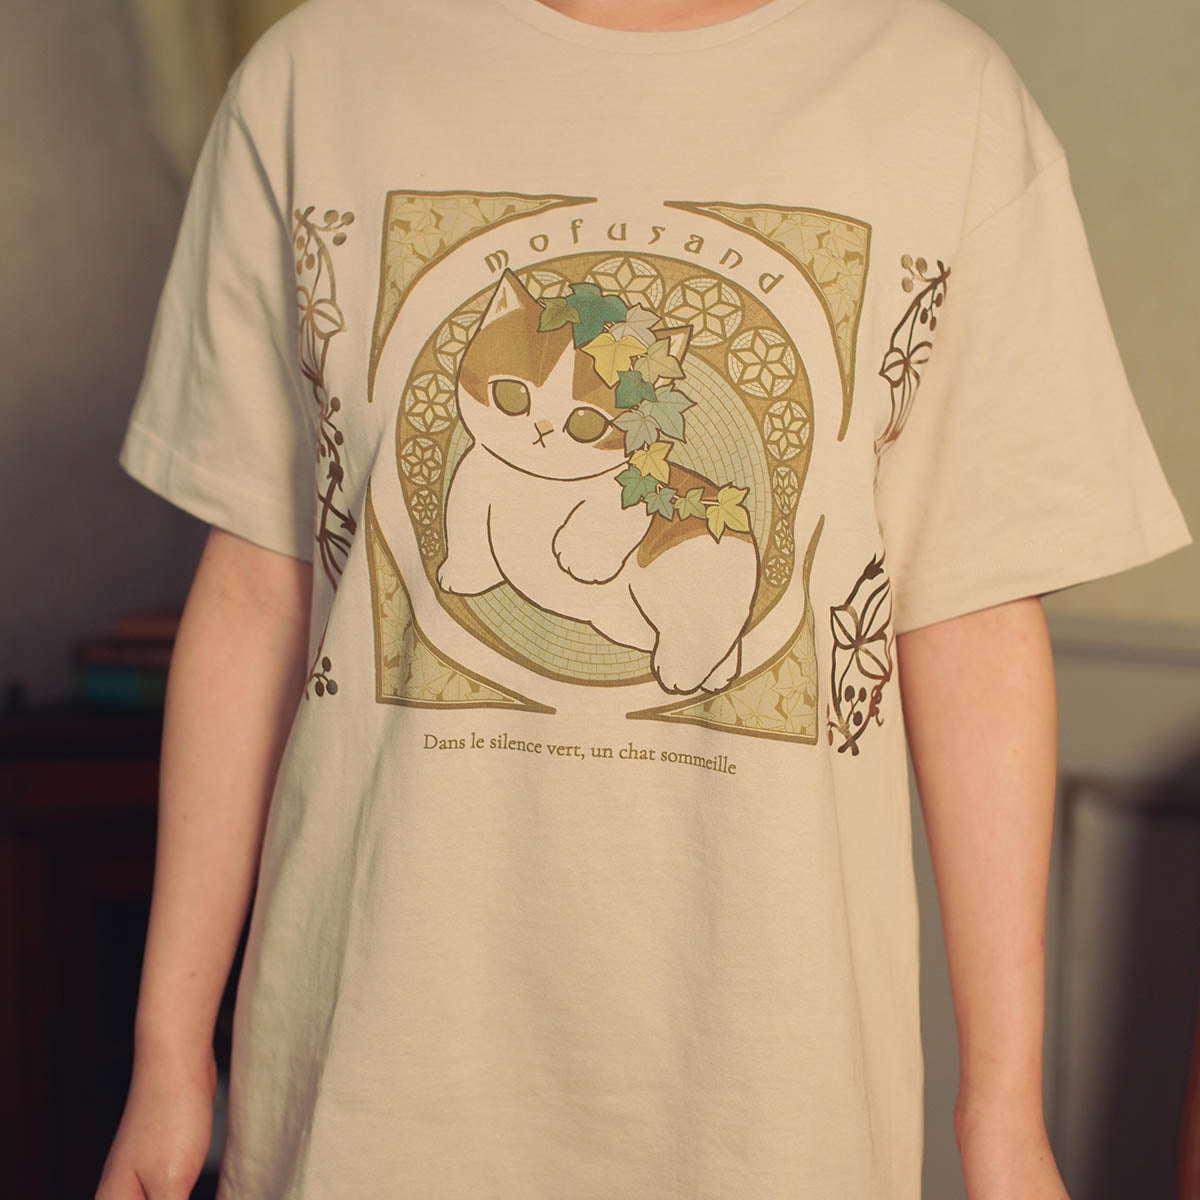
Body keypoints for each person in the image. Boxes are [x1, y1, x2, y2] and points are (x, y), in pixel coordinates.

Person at [97, 0, 1191, 1197]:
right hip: (366, 1078)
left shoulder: (944, 98)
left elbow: (971, 625)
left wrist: (1005, 1116)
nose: (537, 434)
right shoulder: (317, 76)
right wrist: (168, 1053)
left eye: (577, 424)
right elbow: (256, 589)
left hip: (773, 1097)